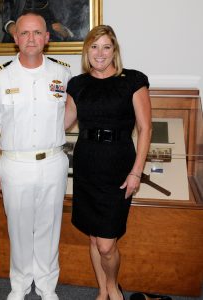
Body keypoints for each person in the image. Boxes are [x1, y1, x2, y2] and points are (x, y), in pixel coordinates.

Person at [0, 12, 71, 300]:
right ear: (15, 38)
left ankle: (46, 286)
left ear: (47, 38)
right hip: (15, 165)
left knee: (49, 227)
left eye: (37, 33)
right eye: (25, 33)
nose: (31, 38)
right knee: (18, 228)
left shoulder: (63, 74)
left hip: (53, 162)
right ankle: (19, 286)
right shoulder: (0, 77)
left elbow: (73, 109)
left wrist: (54, 130)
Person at [65, 25, 152, 300]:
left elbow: (145, 129)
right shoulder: (77, 84)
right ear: (86, 50)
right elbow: (62, 123)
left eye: (106, 46)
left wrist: (136, 172)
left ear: (114, 50)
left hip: (118, 167)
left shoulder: (133, 80)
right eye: (94, 46)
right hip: (86, 165)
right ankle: (102, 290)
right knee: (94, 237)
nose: (100, 53)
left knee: (106, 244)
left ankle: (113, 287)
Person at [2, 0, 73, 42]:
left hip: (53, 41)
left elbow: (66, 30)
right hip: (17, 43)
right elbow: (7, 18)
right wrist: (10, 26)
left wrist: (58, 29)